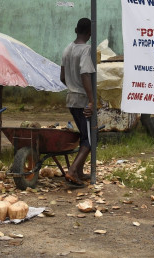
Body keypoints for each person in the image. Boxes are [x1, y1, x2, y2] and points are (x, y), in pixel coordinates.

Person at [59, 17, 95, 187]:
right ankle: (73, 171)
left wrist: (72, 88)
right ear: (90, 33)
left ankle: (79, 171)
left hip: (71, 99)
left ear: (76, 30)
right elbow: (85, 74)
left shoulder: (67, 49)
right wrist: (91, 100)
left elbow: (62, 77)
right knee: (90, 139)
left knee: (83, 135)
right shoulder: (86, 50)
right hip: (82, 100)